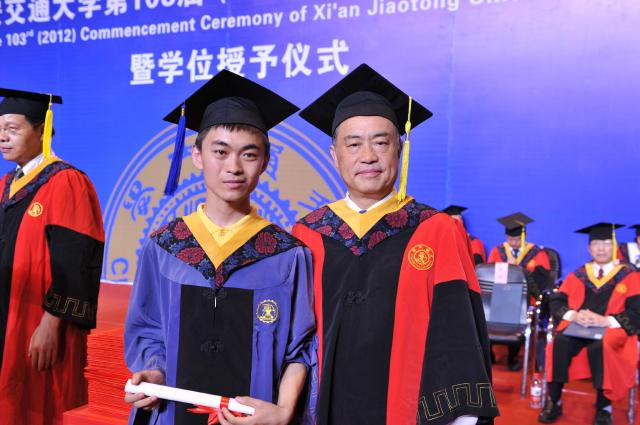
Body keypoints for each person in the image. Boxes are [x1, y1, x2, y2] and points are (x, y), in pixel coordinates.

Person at [293, 64, 498, 425]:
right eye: (353, 144)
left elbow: (458, 332)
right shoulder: (308, 232)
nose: (368, 156)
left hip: (407, 408)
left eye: (381, 142)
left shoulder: (435, 229)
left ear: (399, 149)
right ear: (334, 155)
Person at [124, 70, 315, 425]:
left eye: (248, 154)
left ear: (265, 162)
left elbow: (299, 349)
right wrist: (153, 373)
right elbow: (148, 331)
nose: (233, 167)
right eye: (220, 152)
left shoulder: (287, 255)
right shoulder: (165, 248)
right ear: (197, 156)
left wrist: (285, 410)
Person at [0, 88, 105, 424]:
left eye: (12, 129)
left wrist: (51, 323)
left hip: (37, 320)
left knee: (39, 404)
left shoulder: (66, 181)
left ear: (41, 130)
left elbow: (77, 260)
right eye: (0, 129)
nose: (3, 137)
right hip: (7, 314)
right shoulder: (6, 184)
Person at [540, 223, 640, 425]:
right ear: (589, 248)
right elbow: (557, 301)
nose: (601, 248)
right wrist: (574, 315)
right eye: (596, 244)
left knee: (602, 347)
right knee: (559, 343)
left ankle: (604, 408)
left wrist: (606, 320)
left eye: (606, 243)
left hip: (611, 330)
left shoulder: (629, 275)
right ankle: (554, 401)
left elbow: (636, 311)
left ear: (614, 246)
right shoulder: (580, 274)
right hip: (579, 328)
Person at [487, 212, 552, 371]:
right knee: (485, 312)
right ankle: (488, 352)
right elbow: (488, 277)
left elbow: (542, 281)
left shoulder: (537, 253)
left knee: (517, 313)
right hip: (498, 298)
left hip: (524, 300)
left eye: (517, 239)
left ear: (525, 236)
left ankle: (513, 356)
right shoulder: (498, 251)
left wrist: (518, 270)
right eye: (510, 239)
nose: (513, 243)